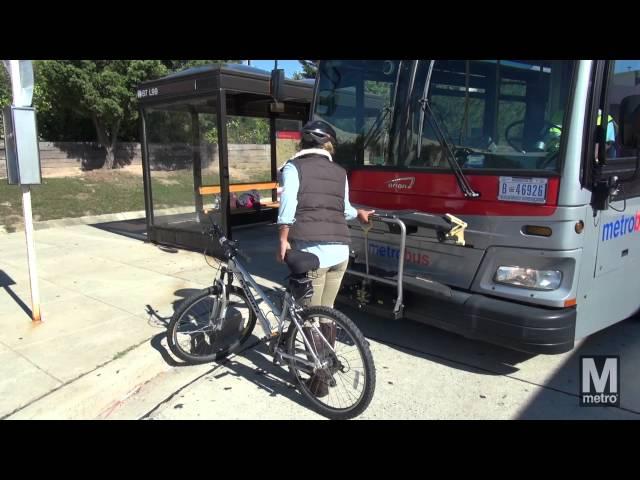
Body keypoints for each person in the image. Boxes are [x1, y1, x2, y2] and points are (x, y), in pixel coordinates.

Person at [276, 119, 374, 397]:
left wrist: (283, 238)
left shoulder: (294, 168)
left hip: (312, 251)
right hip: (340, 250)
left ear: (302, 143)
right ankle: (326, 365)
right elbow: (343, 209)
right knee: (327, 312)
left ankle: (319, 380)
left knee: (309, 317)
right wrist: (360, 214)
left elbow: (288, 204)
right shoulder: (340, 171)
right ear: (328, 144)